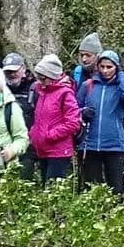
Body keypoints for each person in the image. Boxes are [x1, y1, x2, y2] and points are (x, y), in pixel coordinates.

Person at [77, 49, 124, 197]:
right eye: (102, 66)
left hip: (114, 144)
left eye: (109, 67)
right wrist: (83, 112)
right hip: (90, 144)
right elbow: (75, 108)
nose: (105, 70)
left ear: (116, 67)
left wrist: (120, 74)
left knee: (116, 188)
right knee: (93, 188)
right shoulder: (88, 85)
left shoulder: (120, 86)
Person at [28, 54, 82, 184]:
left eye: (42, 78)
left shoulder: (65, 93)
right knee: (45, 190)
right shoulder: (42, 92)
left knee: (53, 192)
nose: (39, 81)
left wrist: (50, 135)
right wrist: (33, 133)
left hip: (58, 152)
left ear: (51, 76)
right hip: (43, 150)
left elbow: (73, 123)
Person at [2, 53, 39, 177]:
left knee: (24, 182)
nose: (12, 74)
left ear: (23, 69)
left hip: (28, 146)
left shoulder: (34, 88)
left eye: (15, 71)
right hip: (4, 145)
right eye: (8, 72)